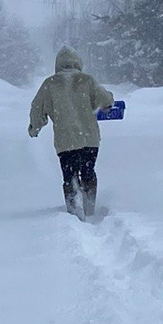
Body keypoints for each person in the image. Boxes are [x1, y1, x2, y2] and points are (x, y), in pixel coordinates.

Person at [28, 46, 114, 217]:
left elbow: (37, 108)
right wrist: (108, 100)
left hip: (65, 141)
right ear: (77, 62)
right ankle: (90, 208)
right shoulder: (87, 80)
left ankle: (73, 211)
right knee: (88, 172)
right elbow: (105, 101)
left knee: (69, 175)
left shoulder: (50, 84)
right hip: (89, 139)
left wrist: (34, 127)